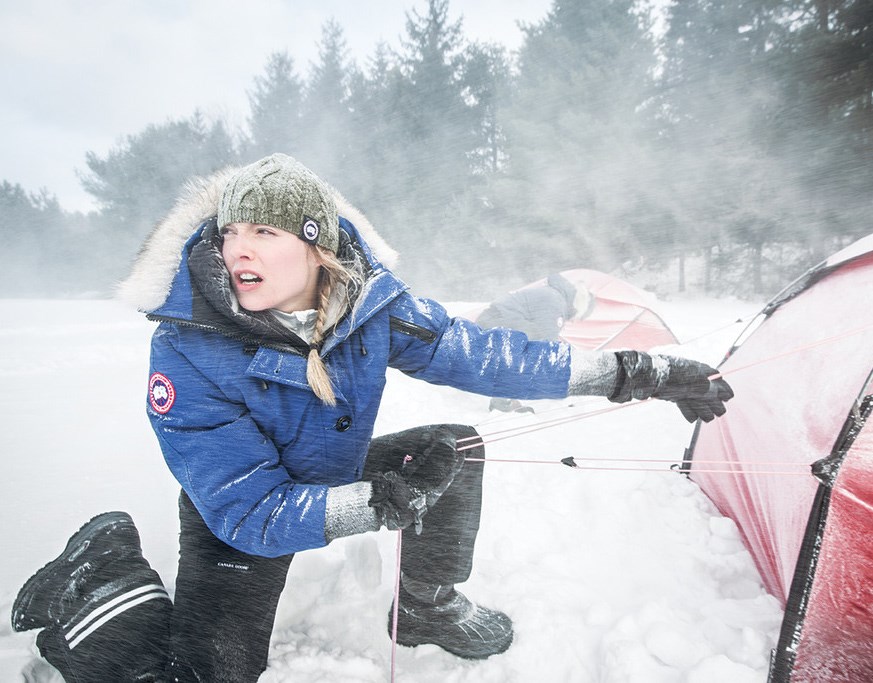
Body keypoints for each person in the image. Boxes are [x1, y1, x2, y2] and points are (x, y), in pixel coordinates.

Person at [10, 153, 734, 682]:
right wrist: (374, 503)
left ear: (317, 244)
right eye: (231, 233)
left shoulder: (371, 305)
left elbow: (485, 355)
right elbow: (246, 509)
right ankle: (102, 578)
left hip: (327, 472)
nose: (237, 249)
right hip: (238, 511)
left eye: (262, 231)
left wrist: (634, 371)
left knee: (456, 446)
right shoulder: (187, 346)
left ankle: (425, 605)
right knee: (202, 677)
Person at [476, 273, 592, 412]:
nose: (575, 319)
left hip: (493, 320)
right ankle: (502, 402)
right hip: (499, 321)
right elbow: (548, 339)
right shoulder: (556, 301)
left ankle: (504, 399)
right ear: (580, 306)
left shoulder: (554, 296)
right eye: (580, 316)